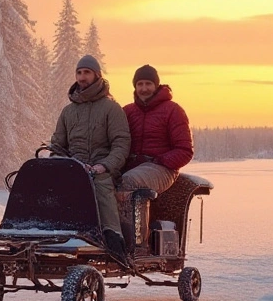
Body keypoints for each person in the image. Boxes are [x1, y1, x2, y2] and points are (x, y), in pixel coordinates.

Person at [50, 54, 131, 261]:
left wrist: (104, 166)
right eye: (79, 72)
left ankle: (112, 237)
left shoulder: (112, 109)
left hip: (101, 168)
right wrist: (60, 162)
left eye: (87, 72)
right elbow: (58, 144)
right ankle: (40, 232)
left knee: (99, 184)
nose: (82, 77)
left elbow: (121, 144)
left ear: (97, 75)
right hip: (73, 166)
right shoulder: (68, 112)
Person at [118, 65, 194, 250]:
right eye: (140, 84)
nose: (144, 88)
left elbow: (185, 150)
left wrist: (159, 160)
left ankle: (136, 244)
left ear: (157, 85)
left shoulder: (173, 111)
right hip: (131, 165)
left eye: (148, 84)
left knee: (128, 182)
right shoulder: (127, 111)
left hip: (162, 168)